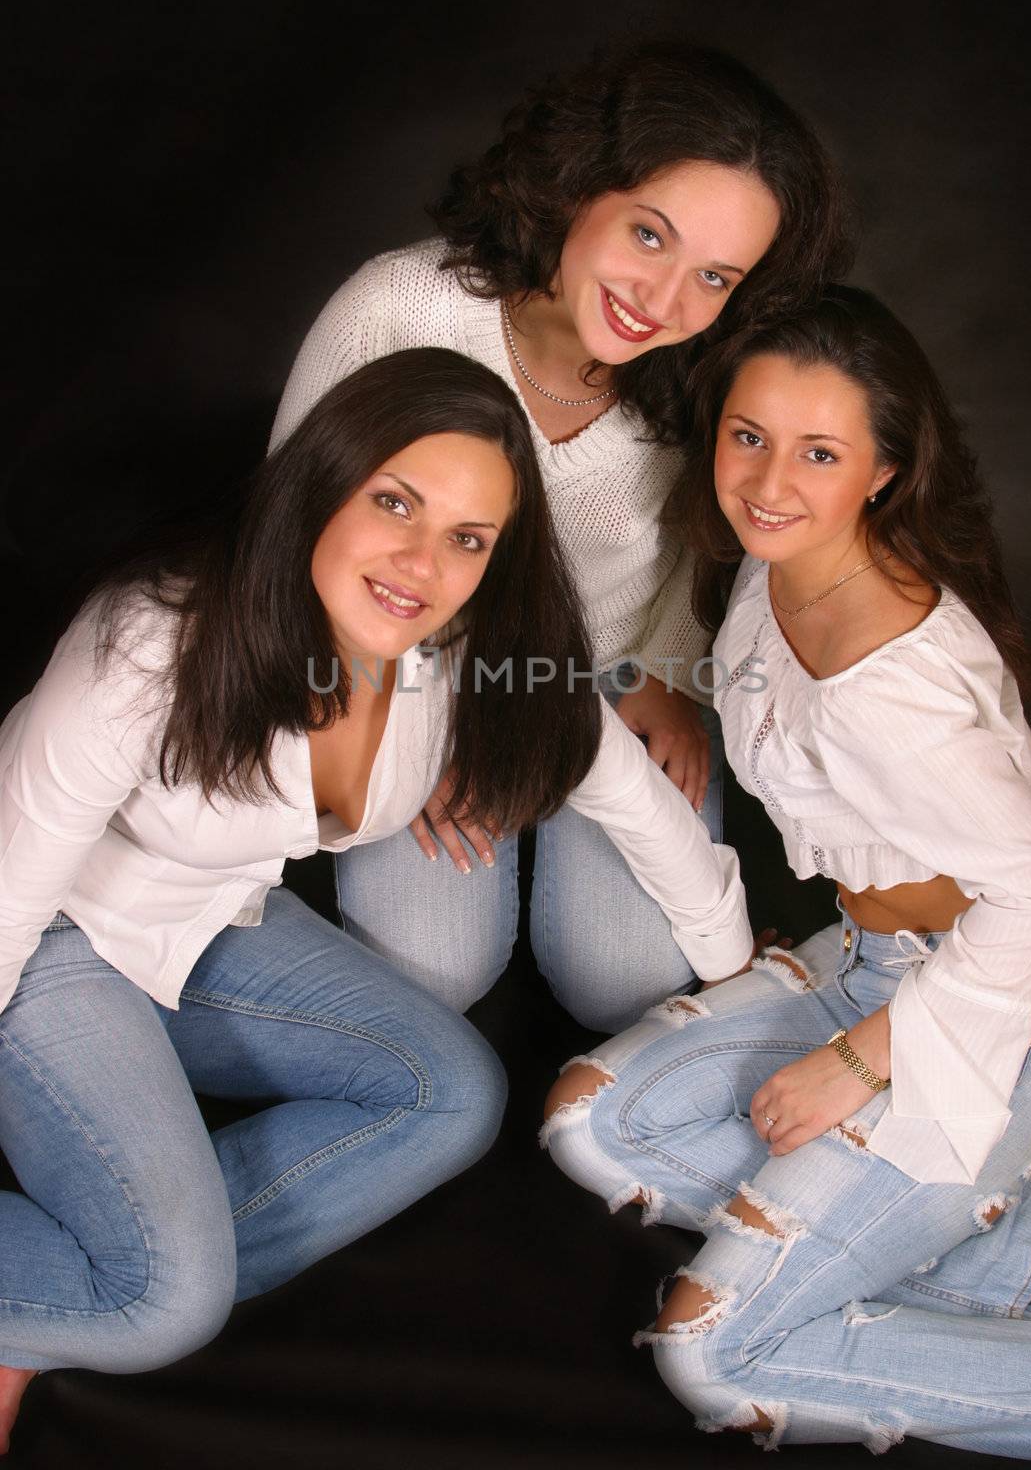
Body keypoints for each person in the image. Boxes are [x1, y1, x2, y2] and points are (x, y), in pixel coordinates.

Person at [0, 348, 755, 1454]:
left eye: (467, 538)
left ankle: (81, 1283)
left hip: (209, 926)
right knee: (164, 1305)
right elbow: (15, 877)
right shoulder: (153, 638)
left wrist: (743, 986)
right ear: (324, 484)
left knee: (450, 1091)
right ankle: (108, 1300)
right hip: (45, 927)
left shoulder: (468, 664)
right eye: (394, 502)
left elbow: (642, 809)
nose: (420, 561)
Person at [542, 289, 1031, 1458]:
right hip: (866, 960)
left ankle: (966, 1217)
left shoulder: (891, 685)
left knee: (708, 1345)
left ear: (881, 470)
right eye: (747, 435)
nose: (768, 480)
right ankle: (1019, 1245)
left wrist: (854, 1059)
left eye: (818, 452)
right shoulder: (770, 571)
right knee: (597, 1122)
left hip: (1004, 1003)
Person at [269, 41, 851, 1032]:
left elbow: (709, 541)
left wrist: (665, 668)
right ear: (577, 186)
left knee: (622, 981)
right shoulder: (395, 309)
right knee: (429, 974)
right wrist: (396, 728)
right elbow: (287, 542)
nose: (664, 301)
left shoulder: (711, 369)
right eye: (648, 235)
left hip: (608, 683)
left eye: (713, 275)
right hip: (413, 674)